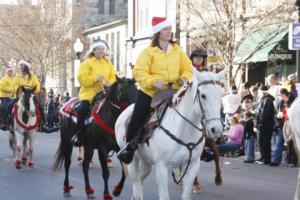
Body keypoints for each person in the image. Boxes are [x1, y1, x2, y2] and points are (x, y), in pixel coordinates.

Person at [117, 16, 193, 164]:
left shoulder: (178, 50)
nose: (169, 31)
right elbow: (139, 72)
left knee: (195, 109)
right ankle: (129, 147)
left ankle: (203, 145)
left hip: (176, 90)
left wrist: (185, 77)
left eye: (169, 29)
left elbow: (188, 68)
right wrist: (153, 82)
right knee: (138, 115)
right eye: (165, 29)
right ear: (158, 32)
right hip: (151, 92)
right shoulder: (148, 52)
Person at [71, 40, 117, 147]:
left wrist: (108, 83)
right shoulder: (86, 63)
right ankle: (78, 134)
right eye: (99, 49)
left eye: (103, 49)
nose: (101, 51)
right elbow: (81, 79)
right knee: (83, 109)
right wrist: (95, 78)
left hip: (105, 93)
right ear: (94, 50)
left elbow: (114, 77)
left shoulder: (108, 63)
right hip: (89, 94)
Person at [1, 60, 47, 130]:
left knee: (40, 106)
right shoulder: (18, 76)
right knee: (9, 105)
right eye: (20, 65)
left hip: (31, 95)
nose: (21, 67)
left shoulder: (33, 77)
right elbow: (14, 86)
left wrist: (34, 91)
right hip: (21, 95)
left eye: (22, 65)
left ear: (26, 67)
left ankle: (44, 124)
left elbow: (37, 85)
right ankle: (5, 122)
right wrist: (20, 90)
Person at [270, 88, 291, 166]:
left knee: (290, 144)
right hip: (282, 125)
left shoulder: (291, 102)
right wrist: (278, 117)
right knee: (279, 143)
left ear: (285, 94)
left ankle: (290, 161)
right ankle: (276, 160)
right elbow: (278, 114)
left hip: (290, 125)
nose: (280, 97)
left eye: (281, 95)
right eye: (279, 95)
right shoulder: (280, 103)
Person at [256, 85, 276, 165]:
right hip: (264, 124)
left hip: (265, 125)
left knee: (265, 142)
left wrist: (260, 122)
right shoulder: (265, 99)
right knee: (262, 142)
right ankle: (263, 157)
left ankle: (266, 159)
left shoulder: (267, 100)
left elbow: (265, 113)